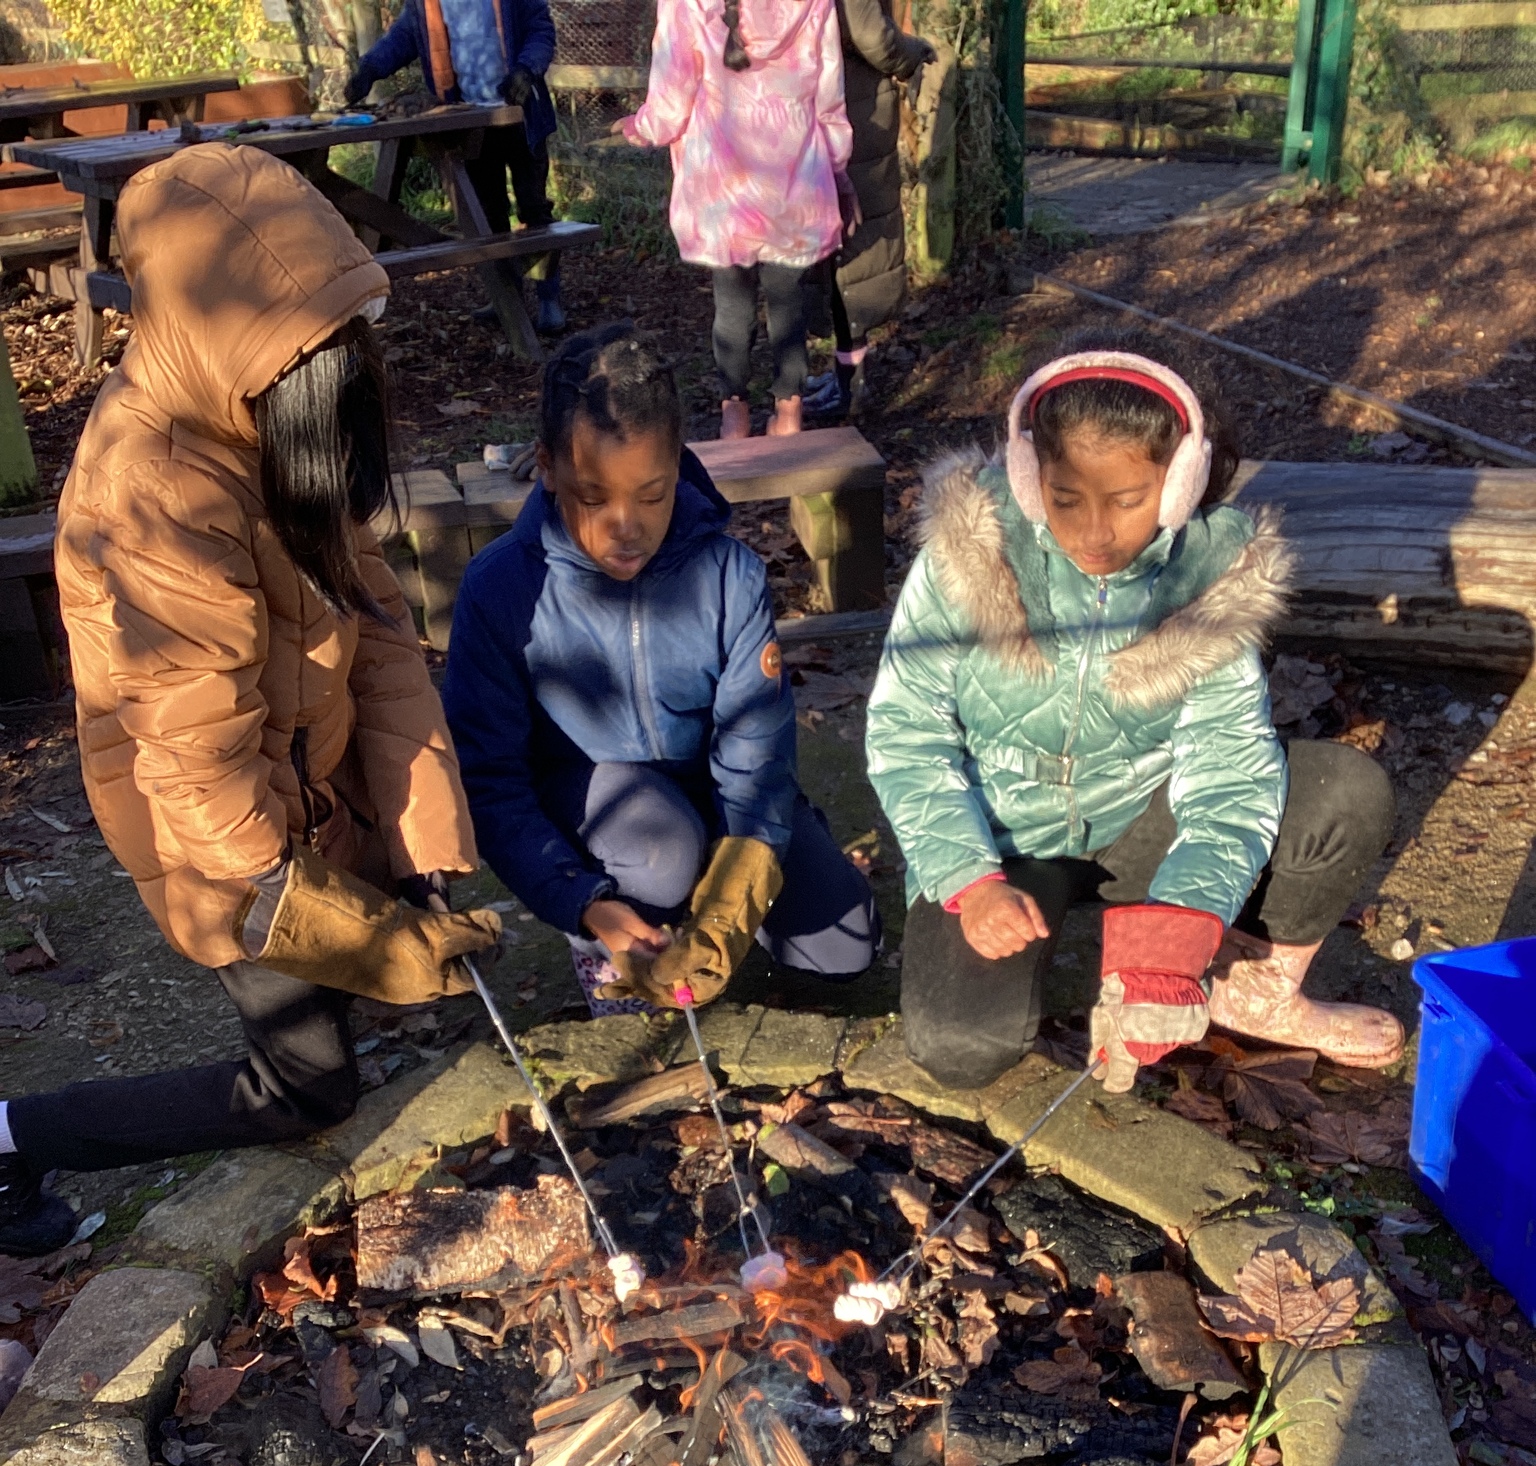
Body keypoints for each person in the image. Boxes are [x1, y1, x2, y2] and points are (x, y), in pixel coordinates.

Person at [0, 145, 499, 1256]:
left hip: (306, 779)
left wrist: (424, 852)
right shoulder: (154, 497)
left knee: (403, 926)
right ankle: (12, 1137)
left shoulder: (279, 419)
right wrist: (358, 936)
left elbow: (380, 645)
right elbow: (201, 789)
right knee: (307, 1088)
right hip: (218, 840)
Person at [865, 328, 1403, 1094]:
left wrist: (1169, 947)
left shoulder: (1211, 578)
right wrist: (970, 880)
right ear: (1028, 477)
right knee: (960, 1046)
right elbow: (906, 736)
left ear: (1180, 483)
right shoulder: (968, 554)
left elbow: (1229, 778)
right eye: (1065, 498)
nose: (1094, 532)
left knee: (1342, 791)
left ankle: (1248, 988)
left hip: (1141, 823)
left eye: (1126, 500)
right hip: (1003, 844)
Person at [441, 324, 878, 1012]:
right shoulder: (499, 589)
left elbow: (758, 755)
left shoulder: (729, 575)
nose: (627, 526)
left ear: (678, 464)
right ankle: (610, 945)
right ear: (547, 467)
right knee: (661, 853)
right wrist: (581, 902)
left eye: (653, 495)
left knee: (843, 946)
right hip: (600, 812)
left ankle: (707, 894)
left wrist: (730, 908)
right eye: (594, 498)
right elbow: (491, 783)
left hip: (710, 793)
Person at [613, 0, 855, 437]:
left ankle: (733, 415)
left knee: (731, 303)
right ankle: (789, 412)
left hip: (721, 187)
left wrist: (641, 127)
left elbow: (670, 100)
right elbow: (829, 96)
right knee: (788, 301)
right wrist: (837, 166)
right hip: (795, 177)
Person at [344, 0, 566, 336]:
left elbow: (539, 29)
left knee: (534, 207)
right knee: (487, 213)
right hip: (467, 119)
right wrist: (370, 68)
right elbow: (404, 36)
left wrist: (526, 69)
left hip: (522, 114)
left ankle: (549, 299)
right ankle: (507, 297)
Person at [803, 0, 933, 422]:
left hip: (800, 102)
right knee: (856, 244)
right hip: (853, 107)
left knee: (826, 244)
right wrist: (912, 54)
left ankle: (830, 378)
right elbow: (870, 34)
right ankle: (850, 382)